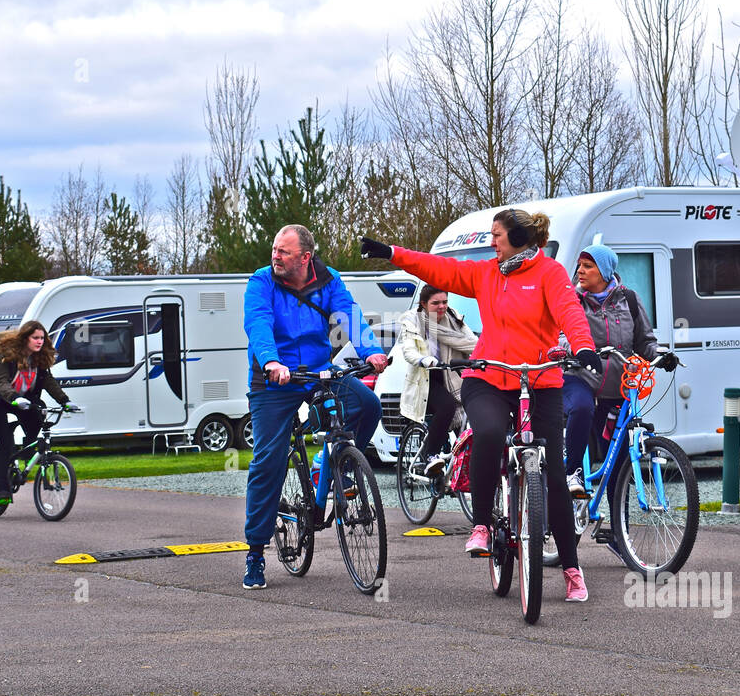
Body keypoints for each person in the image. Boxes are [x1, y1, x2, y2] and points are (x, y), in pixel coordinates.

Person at [362, 209, 603, 603]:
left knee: (555, 476)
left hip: (540, 380)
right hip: (489, 377)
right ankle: (482, 527)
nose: (492, 243)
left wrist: (584, 346)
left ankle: (572, 570)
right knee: (489, 433)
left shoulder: (550, 274)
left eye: (497, 236)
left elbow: (569, 311)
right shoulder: (487, 273)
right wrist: (392, 252)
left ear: (519, 237)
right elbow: (439, 269)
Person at [242, 224, 389, 590]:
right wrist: (271, 361)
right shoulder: (261, 282)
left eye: (284, 252)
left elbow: (348, 315)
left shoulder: (328, 279)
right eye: (274, 249)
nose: (275, 256)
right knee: (269, 459)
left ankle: (336, 468)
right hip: (274, 377)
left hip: (317, 372)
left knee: (366, 404)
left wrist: (371, 350)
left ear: (305, 257)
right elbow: (257, 323)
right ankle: (256, 552)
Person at [562, 244, 679, 507]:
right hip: (581, 378)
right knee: (581, 408)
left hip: (617, 387)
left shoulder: (629, 299)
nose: (580, 271)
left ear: (604, 271)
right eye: (580, 265)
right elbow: (560, 335)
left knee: (618, 458)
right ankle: (573, 472)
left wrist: (661, 354)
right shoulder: (572, 300)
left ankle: (618, 531)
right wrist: (575, 348)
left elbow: (645, 341)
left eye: (588, 266)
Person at [0, 320, 74, 507]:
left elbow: (48, 382)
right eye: (35, 338)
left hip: (22, 402)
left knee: (36, 422)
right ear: (25, 338)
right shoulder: (6, 355)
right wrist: (15, 397)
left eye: (42, 338)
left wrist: (65, 401)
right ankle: (2, 490)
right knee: (5, 445)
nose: (39, 341)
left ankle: (26, 456)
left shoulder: (39, 359)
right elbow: (1, 382)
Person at [396, 285, 478, 476]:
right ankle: (430, 454)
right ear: (423, 304)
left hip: (452, 376)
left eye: (445, 302)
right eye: (436, 303)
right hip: (426, 378)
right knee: (447, 406)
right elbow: (409, 350)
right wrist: (423, 359)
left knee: (470, 414)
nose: (442, 307)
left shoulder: (453, 317)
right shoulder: (412, 321)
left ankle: (464, 469)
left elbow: (471, 341)